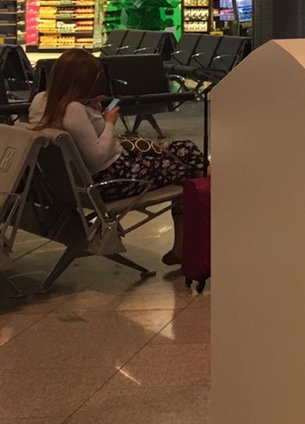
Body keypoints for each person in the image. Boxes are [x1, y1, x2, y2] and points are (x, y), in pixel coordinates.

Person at [30, 49, 206, 267]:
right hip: (112, 179)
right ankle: (197, 240)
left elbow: (79, 134)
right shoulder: (73, 110)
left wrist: (92, 112)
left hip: (76, 183)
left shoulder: (41, 101)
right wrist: (109, 121)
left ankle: (187, 244)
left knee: (184, 150)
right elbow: (98, 157)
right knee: (190, 162)